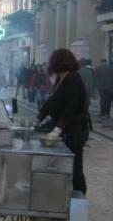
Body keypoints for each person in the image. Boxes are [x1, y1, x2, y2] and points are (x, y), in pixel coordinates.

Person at [35, 49, 89, 195]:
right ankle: (59, 191)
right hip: (63, 128)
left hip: (74, 130)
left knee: (75, 164)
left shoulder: (72, 79)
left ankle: (79, 194)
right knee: (59, 164)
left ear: (59, 62)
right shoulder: (61, 78)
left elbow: (70, 108)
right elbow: (51, 101)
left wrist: (57, 130)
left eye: (52, 60)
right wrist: (37, 118)